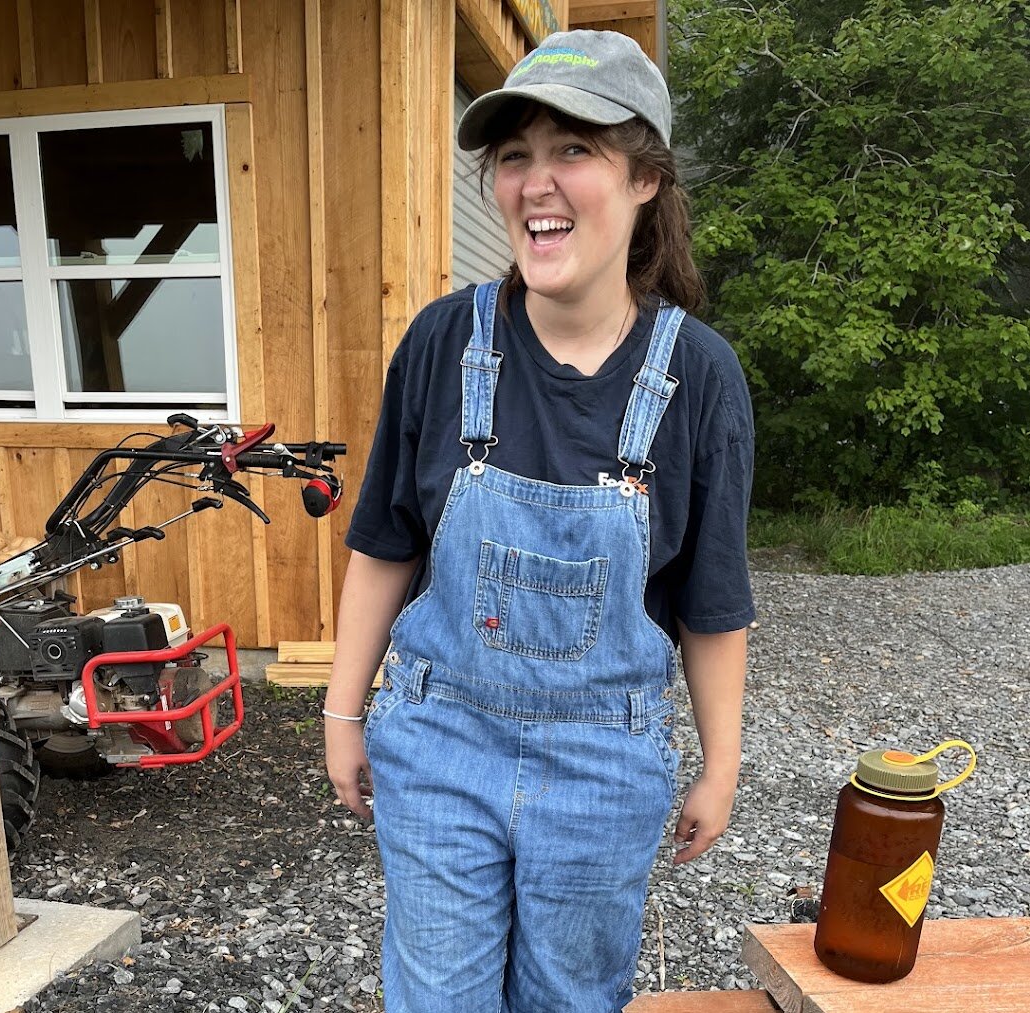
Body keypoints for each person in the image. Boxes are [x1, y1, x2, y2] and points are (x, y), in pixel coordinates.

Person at [324, 28, 754, 1013]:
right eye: (514, 155)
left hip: (605, 765)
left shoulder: (700, 377)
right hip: (438, 743)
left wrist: (720, 766)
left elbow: (713, 602)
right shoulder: (443, 341)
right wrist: (344, 709)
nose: (535, 181)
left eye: (574, 150)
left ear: (645, 176)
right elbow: (384, 542)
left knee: (570, 997)